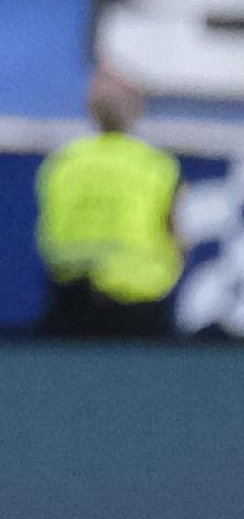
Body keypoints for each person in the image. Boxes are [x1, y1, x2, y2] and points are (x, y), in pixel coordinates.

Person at [37, 70, 185, 337]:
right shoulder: (156, 166)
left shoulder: (63, 162)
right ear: (136, 109)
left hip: (71, 300)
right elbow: (176, 233)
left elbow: (48, 224)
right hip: (140, 304)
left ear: (91, 110)